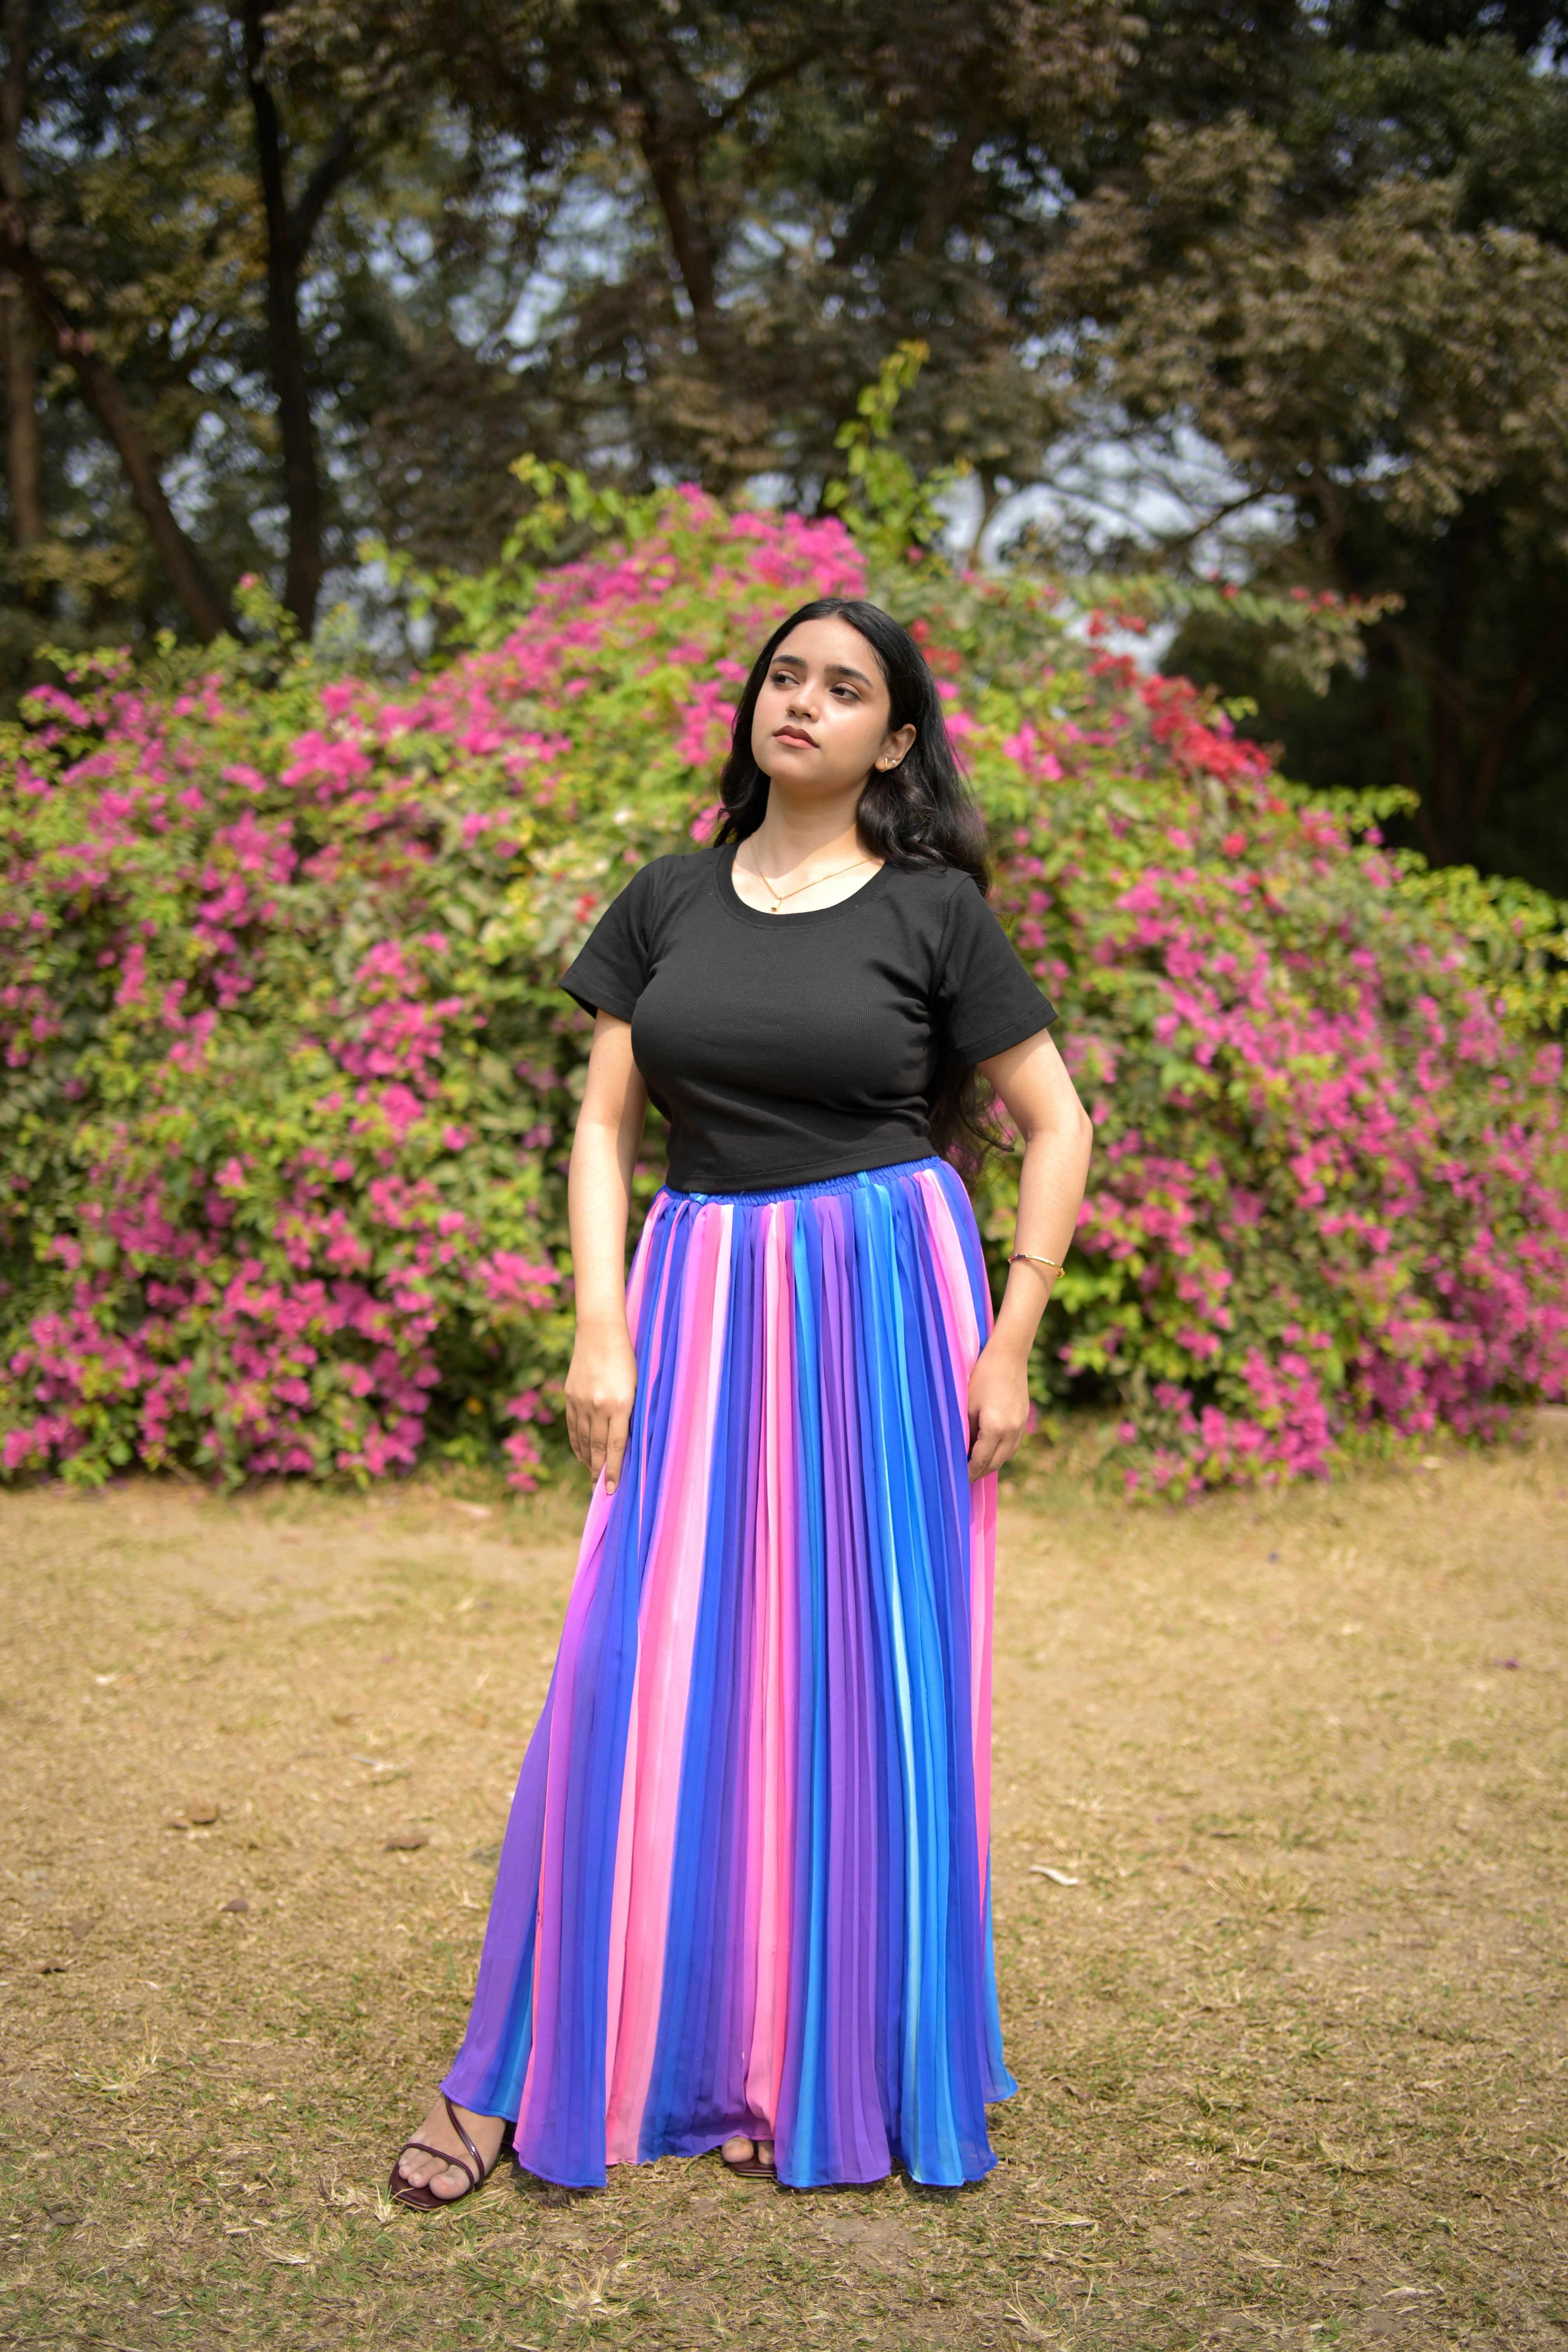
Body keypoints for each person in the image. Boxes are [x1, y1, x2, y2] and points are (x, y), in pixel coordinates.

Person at [390, 595, 1093, 2203]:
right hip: (700, 1291)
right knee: (627, 1669)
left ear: (893, 742)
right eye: (788, 675)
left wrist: (1011, 1337)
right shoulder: (668, 897)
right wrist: (600, 1327)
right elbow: (603, 1127)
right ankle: (525, 2065)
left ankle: (835, 2062)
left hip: (886, 1298)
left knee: (867, 1685)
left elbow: (1055, 1122)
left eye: (846, 688)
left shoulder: (936, 914)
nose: (806, 701)